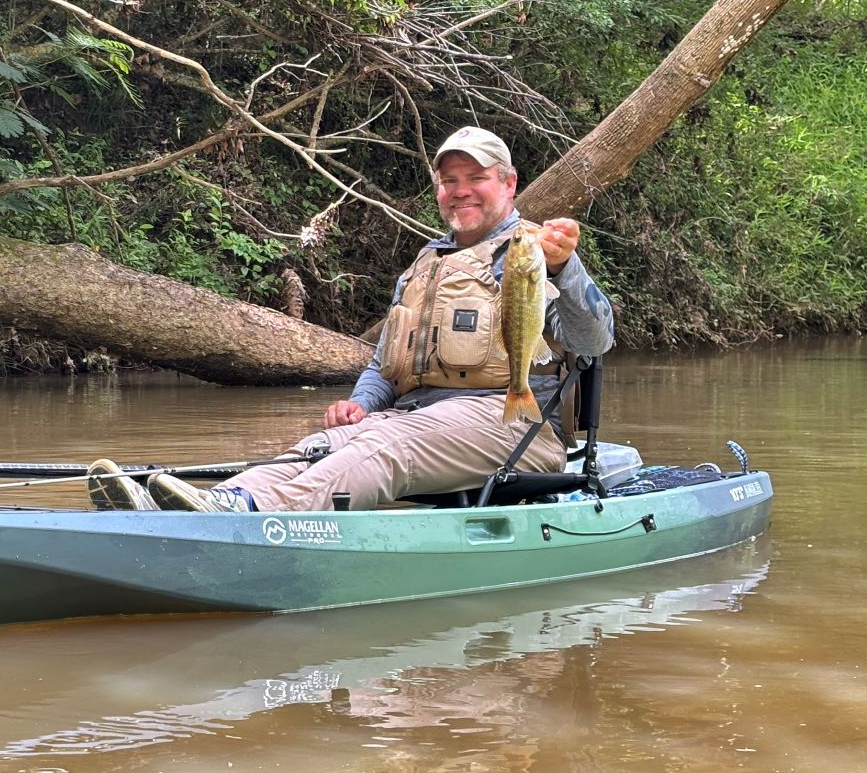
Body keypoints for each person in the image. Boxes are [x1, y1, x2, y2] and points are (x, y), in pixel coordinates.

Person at [88, 126, 615, 513]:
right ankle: (218, 500)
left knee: (385, 447)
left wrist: (566, 267)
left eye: (475, 178)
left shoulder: (533, 253)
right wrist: (360, 405)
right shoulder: (424, 265)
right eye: (448, 180)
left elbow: (595, 339)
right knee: (320, 447)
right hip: (413, 416)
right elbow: (386, 362)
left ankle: (243, 517)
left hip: (511, 425)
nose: (459, 191)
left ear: (508, 183)